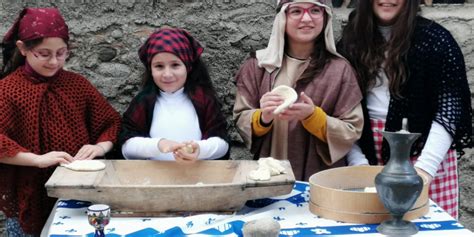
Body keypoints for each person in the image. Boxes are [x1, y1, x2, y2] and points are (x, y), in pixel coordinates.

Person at [338, 0, 472, 218]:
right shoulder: (351, 42)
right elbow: (342, 110)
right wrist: (358, 164)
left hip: (425, 149)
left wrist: (424, 169)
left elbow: (449, 109)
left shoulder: (436, 40)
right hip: (366, 147)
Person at [0, 7, 121, 236]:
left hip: (79, 195)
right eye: (44, 54)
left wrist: (98, 147)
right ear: (23, 48)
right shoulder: (8, 91)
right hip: (29, 194)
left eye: (61, 53)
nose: (54, 61)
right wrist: (37, 159)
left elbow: (111, 123)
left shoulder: (77, 86)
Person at [233, 0, 364, 181]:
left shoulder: (339, 69)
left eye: (315, 10)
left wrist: (313, 117)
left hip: (320, 178)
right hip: (268, 177)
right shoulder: (258, 66)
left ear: (325, 17)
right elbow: (241, 118)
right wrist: (263, 117)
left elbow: (352, 129)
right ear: (282, 17)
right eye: (296, 11)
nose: (306, 18)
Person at [119, 28, 229, 162]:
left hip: (198, 179)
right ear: (150, 69)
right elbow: (126, 147)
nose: (167, 74)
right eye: (159, 66)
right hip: (152, 180)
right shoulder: (143, 101)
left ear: (187, 66)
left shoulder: (204, 100)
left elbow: (223, 144)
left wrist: (199, 149)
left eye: (175, 65)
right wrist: (159, 145)